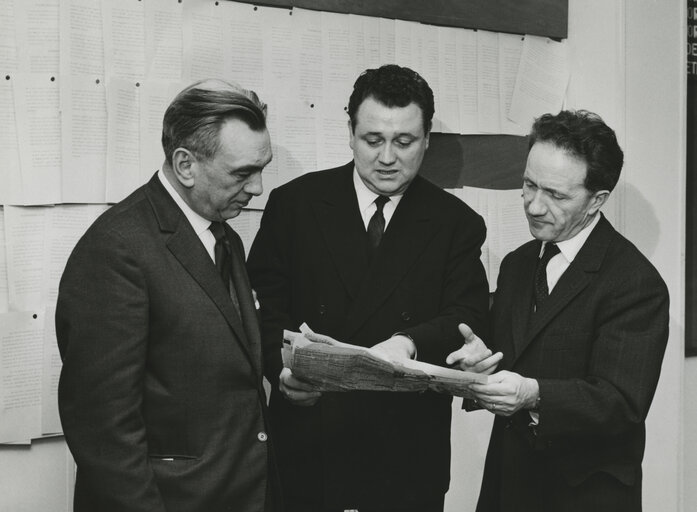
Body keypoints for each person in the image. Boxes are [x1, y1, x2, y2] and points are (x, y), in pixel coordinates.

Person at [247, 64, 499, 512]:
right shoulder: (294, 205)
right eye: (372, 140)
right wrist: (282, 371)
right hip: (308, 443)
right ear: (350, 133)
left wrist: (410, 342)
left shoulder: (455, 223)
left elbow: (468, 315)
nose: (387, 157)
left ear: (426, 141)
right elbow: (261, 312)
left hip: (404, 455)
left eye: (403, 142)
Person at [56, 79, 280, 512]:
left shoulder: (225, 238)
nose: (257, 189)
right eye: (242, 173)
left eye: (262, 169)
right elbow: (104, 431)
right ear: (185, 165)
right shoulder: (116, 249)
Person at [447, 109, 669, 512]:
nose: (534, 205)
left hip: (583, 496)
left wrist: (533, 394)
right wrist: (481, 361)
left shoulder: (635, 283)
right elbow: (517, 354)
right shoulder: (518, 264)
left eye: (556, 195)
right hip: (509, 486)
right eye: (529, 185)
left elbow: (621, 402)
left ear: (596, 200)